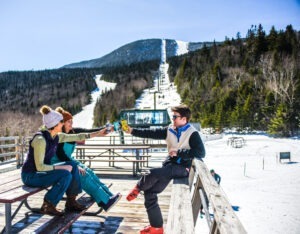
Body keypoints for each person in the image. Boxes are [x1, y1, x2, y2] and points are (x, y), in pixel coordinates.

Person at [125, 105, 205, 234]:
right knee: (150, 193)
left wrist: (179, 152)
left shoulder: (192, 133)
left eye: (175, 116)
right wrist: (132, 131)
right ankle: (156, 228)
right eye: (172, 116)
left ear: (184, 119)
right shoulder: (170, 129)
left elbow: (201, 152)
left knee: (152, 173)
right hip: (169, 166)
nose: (172, 119)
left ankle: (137, 188)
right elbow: (151, 133)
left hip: (182, 168)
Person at [21, 105, 106, 216]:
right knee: (65, 174)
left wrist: (98, 133)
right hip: (30, 176)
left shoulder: (56, 136)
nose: (63, 124)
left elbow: (78, 136)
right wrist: (61, 167)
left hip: (41, 173)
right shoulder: (40, 140)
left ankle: (71, 201)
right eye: (61, 122)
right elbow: (40, 167)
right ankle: (48, 204)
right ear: (55, 124)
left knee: (73, 165)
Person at [51, 107, 121, 212]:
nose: (71, 123)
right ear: (62, 123)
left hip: (68, 160)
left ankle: (108, 195)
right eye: (68, 121)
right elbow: (60, 155)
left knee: (89, 172)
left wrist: (104, 130)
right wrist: (75, 166)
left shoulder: (73, 131)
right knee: (83, 175)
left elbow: (89, 131)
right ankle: (104, 202)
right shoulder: (58, 136)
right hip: (59, 163)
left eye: (71, 121)